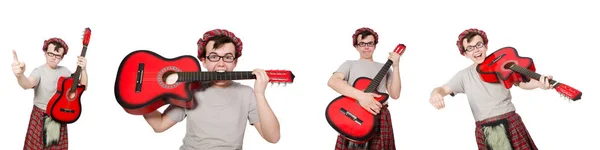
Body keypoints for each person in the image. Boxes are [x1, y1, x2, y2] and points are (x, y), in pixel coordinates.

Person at [142, 29, 281, 150]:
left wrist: (260, 94)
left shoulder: (247, 93)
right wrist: (139, 99)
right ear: (204, 61)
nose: (221, 64)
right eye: (214, 57)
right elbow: (159, 125)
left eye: (227, 57)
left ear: (235, 62)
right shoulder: (190, 90)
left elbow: (273, 137)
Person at [428, 28, 554, 150]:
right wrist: (435, 94)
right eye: (470, 48)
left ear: (486, 46)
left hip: (511, 122)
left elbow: (522, 83)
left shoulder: (502, 64)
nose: (476, 50)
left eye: (479, 45)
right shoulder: (463, 76)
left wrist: (538, 84)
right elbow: (441, 89)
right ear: (465, 54)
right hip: (485, 130)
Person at [327, 27, 402, 150]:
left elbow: (395, 94)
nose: (366, 47)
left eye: (370, 43)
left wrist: (396, 66)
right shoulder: (349, 64)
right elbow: (333, 81)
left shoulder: (385, 68)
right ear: (356, 46)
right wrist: (361, 96)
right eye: (362, 44)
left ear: (375, 46)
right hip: (353, 115)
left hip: (378, 115)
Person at [12, 37, 89, 150]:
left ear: (62, 57)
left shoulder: (65, 72)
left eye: (57, 56)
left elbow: (83, 87)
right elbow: (27, 84)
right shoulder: (39, 71)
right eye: (50, 54)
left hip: (59, 116)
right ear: (45, 53)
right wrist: (20, 75)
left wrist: (83, 69)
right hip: (39, 116)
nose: (53, 58)